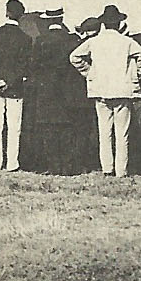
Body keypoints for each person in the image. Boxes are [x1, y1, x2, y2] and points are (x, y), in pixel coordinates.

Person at [68, 4, 141, 176]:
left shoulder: (94, 41)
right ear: (119, 23)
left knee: (104, 132)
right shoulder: (127, 42)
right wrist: (135, 74)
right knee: (122, 134)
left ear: (103, 23)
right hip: (122, 90)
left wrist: (88, 72)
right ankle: (121, 170)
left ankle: (107, 168)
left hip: (100, 89)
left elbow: (74, 57)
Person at [27, 10, 89, 175]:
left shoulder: (41, 41)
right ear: (61, 19)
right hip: (68, 92)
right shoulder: (72, 40)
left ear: (48, 22)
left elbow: (33, 67)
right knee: (68, 129)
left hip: (46, 92)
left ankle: (53, 166)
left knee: (49, 130)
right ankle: (68, 167)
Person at [0, 0, 33, 172]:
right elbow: (24, 66)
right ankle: (12, 163)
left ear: (6, 12)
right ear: (21, 16)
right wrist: (8, 81)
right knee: (14, 127)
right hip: (15, 89)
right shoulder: (25, 39)